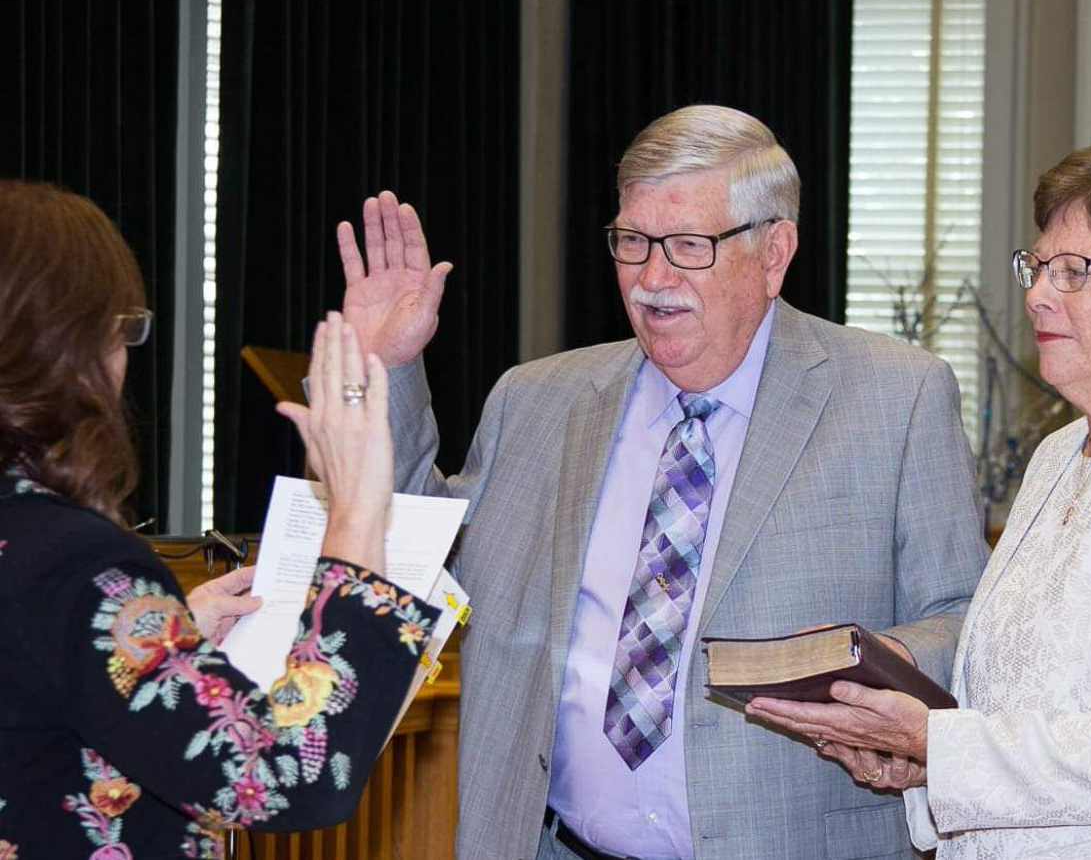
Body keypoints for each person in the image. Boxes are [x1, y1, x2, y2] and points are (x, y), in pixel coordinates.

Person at [336, 104, 988, 859]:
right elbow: (413, 554)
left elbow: (963, 617)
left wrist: (873, 663)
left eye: (687, 245)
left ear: (774, 251)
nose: (652, 278)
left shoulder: (894, 396)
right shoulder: (536, 400)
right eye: (632, 242)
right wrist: (387, 366)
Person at [747, 144, 1091, 858]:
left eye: (1074, 271)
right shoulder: (1056, 457)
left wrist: (937, 743)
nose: (1037, 292)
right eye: (1037, 266)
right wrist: (917, 764)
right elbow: (1016, 707)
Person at [0, 180, 438, 856]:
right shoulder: (76, 562)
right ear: (69, 339)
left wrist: (160, 636)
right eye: (123, 327)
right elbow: (294, 775)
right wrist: (355, 511)